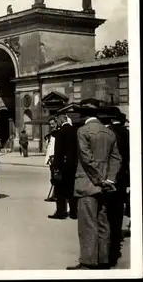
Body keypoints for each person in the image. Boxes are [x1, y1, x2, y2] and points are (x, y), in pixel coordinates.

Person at [67, 109, 121, 270]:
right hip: (106, 186)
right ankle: (103, 259)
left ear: (83, 116)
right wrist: (109, 179)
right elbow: (116, 158)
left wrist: (99, 179)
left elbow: (86, 157)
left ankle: (88, 261)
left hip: (88, 183)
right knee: (103, 222)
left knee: (88, 224)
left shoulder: (83, 131)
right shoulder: (109, 132)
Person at [107, 114, 130, 267]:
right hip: (123, 178)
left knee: (107, 216)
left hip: (111, 178)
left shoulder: (110, 133)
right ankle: (116, 247)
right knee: (117, 215)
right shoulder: (127, 133)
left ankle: (110, 251)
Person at [50, 114, 78, 220]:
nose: (57, 122)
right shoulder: (75, 130)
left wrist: (55, 166)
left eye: (57, 120)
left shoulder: (60, 132)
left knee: (60, 191)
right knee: (71, 189)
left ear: (62, 120)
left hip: (62, 165)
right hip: (73, 165)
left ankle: (61, 212)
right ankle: (74, 213)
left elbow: (58, 152)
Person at [44, 117, 59, 202]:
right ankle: (54, 194)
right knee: (53, 178)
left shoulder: (58, 133)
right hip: (51, 159)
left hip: (54, 158)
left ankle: (55, 195)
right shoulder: (51, 134)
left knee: (55, 178)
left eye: (53, 124)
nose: (51, 126)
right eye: (50, 124)